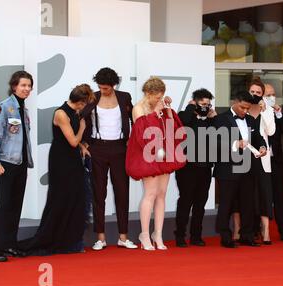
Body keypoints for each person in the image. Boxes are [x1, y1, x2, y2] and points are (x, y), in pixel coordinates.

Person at [18, 84, 95, 256]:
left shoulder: (75, 112)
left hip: (73, 160)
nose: (85, 106)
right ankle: (54, 239)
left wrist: (83, 146)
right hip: (61, 161)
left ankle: (72, 241)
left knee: (75, 199)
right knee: (60, 199)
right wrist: (82, 129)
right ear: (80, 101)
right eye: (85, 103)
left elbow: (76, 143)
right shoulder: (61, 113)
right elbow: (72, 141)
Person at [126, 77, 186, 250]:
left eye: (161, 97)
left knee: (162, 194)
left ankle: (157, 234)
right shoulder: (138, 108)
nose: (159, 100)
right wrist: (155, 113)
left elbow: (171, 131)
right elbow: (144, 134)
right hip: (147, 154)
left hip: (163, 153)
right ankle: (144, 234)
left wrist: (167, 112)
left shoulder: (160, 106)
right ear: (147, 93)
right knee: (150, 194)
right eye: (157, 97)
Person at [81, 67, 137, 251]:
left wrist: (132, 141)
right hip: (97, 148)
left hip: (120, 148)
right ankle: (101, 238)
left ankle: (123, 237)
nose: (103, 90)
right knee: (99, 193)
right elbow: (78, 118)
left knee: (122, 192)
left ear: (113, 85)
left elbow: (136, 119)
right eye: (100, 86)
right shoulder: (92, 97)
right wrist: (83, 144)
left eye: (106, 87)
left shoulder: (124, 97)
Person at [0, 71, 34, 262]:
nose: (27, 89)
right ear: (14, 86)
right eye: (23, 85)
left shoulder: (24, 110)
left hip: (21, 164)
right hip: (5, 164)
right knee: (4, 206)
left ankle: (10, 245)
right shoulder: (3, 108)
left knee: (15, 206)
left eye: (29, 86)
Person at [213, 91, 267, 248]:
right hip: (227, 169)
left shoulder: (250, 119)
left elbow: (258, 137)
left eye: (248, 108)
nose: (245, 111)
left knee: (248, 203)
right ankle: (226, 237)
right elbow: (215, 142)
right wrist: (235, 144)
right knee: (226, 204)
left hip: (248, 168)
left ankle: (247, 235)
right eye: (243, 107)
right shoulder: (220, 119)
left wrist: (262, 147)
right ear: (234, 102)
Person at [174, 88, 217, 247]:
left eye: (208, 104)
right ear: (195, 102)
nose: (205, 107)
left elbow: (218, 135)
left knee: (200, 203)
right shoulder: (186, 116)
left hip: (205, 167)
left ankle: (196, 236)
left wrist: (214, 117)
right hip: (187, 167)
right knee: (185, 201)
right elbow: (182, 122)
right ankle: (179, 235)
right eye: (202, 104)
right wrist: (191, 107)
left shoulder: (210, 120)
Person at [247, 79, 276, 245]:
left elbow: (271, 131)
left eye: (258, 92)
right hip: (245, 158)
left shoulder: (268, 109)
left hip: (262, 159)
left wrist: (264, 111)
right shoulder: (243, 107)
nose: (255, 95)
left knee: (264, 194)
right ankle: (249, 230)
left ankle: (266, 231)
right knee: (248, 195)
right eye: (252, 92)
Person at [264, 83, 283, 242]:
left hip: (275, 160)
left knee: (279, 196)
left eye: (273, 94)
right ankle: (257, 229)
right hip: (259, 160)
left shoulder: (278, 113)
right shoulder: (255, 112)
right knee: (259, 196)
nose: (271, 97)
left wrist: (280, 115)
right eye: (268, 95)